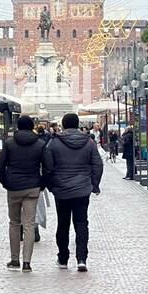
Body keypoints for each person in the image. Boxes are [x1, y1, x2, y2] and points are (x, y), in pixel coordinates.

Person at [43, 112, 103, 272]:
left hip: (61, 190)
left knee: (63, 224)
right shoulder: (89, 142)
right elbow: (97, 164)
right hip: (82, 189)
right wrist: (94, 184)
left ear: (63, 125)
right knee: (82, 224)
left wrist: (51, 186)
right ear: (77, 125)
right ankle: (82, 259)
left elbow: (47, 166)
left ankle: (63, 258)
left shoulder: (54, 143)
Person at [0, 114, 46, 272]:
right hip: (32, 187)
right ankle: (27, 263)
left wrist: (6, 182)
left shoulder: (9, 143)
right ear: (32, 126)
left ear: (18, 126)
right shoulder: (40, 144)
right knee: (29, 224)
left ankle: (15, 259)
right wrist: (41, 184)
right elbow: (49, 167)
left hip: (14, 188)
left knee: (14, 223)